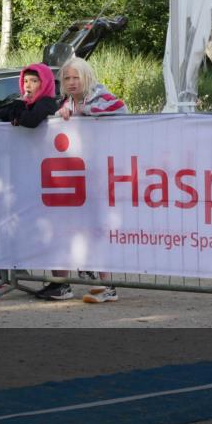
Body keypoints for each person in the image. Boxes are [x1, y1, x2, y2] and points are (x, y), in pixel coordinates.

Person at [44, 55, 129, 304]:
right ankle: (72, 282)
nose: (71, 82)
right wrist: (63, 113)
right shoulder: (68, 101)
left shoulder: (100, 95)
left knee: (98, 228)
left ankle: (108, 285)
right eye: (67, 78)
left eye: (76, 77)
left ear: (87, 77)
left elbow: (120, 107)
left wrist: (85, 112)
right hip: (77, 175)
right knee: (74, 228)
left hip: (102, 173)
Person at [0, 63, 58, 128]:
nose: (28, 86)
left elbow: (31, 121)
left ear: (45, 84)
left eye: (34, 81)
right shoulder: (28, 103)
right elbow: (2, 115)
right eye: (25, 81)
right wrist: (14, 108)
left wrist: (18, 108)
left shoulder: (47, 103)